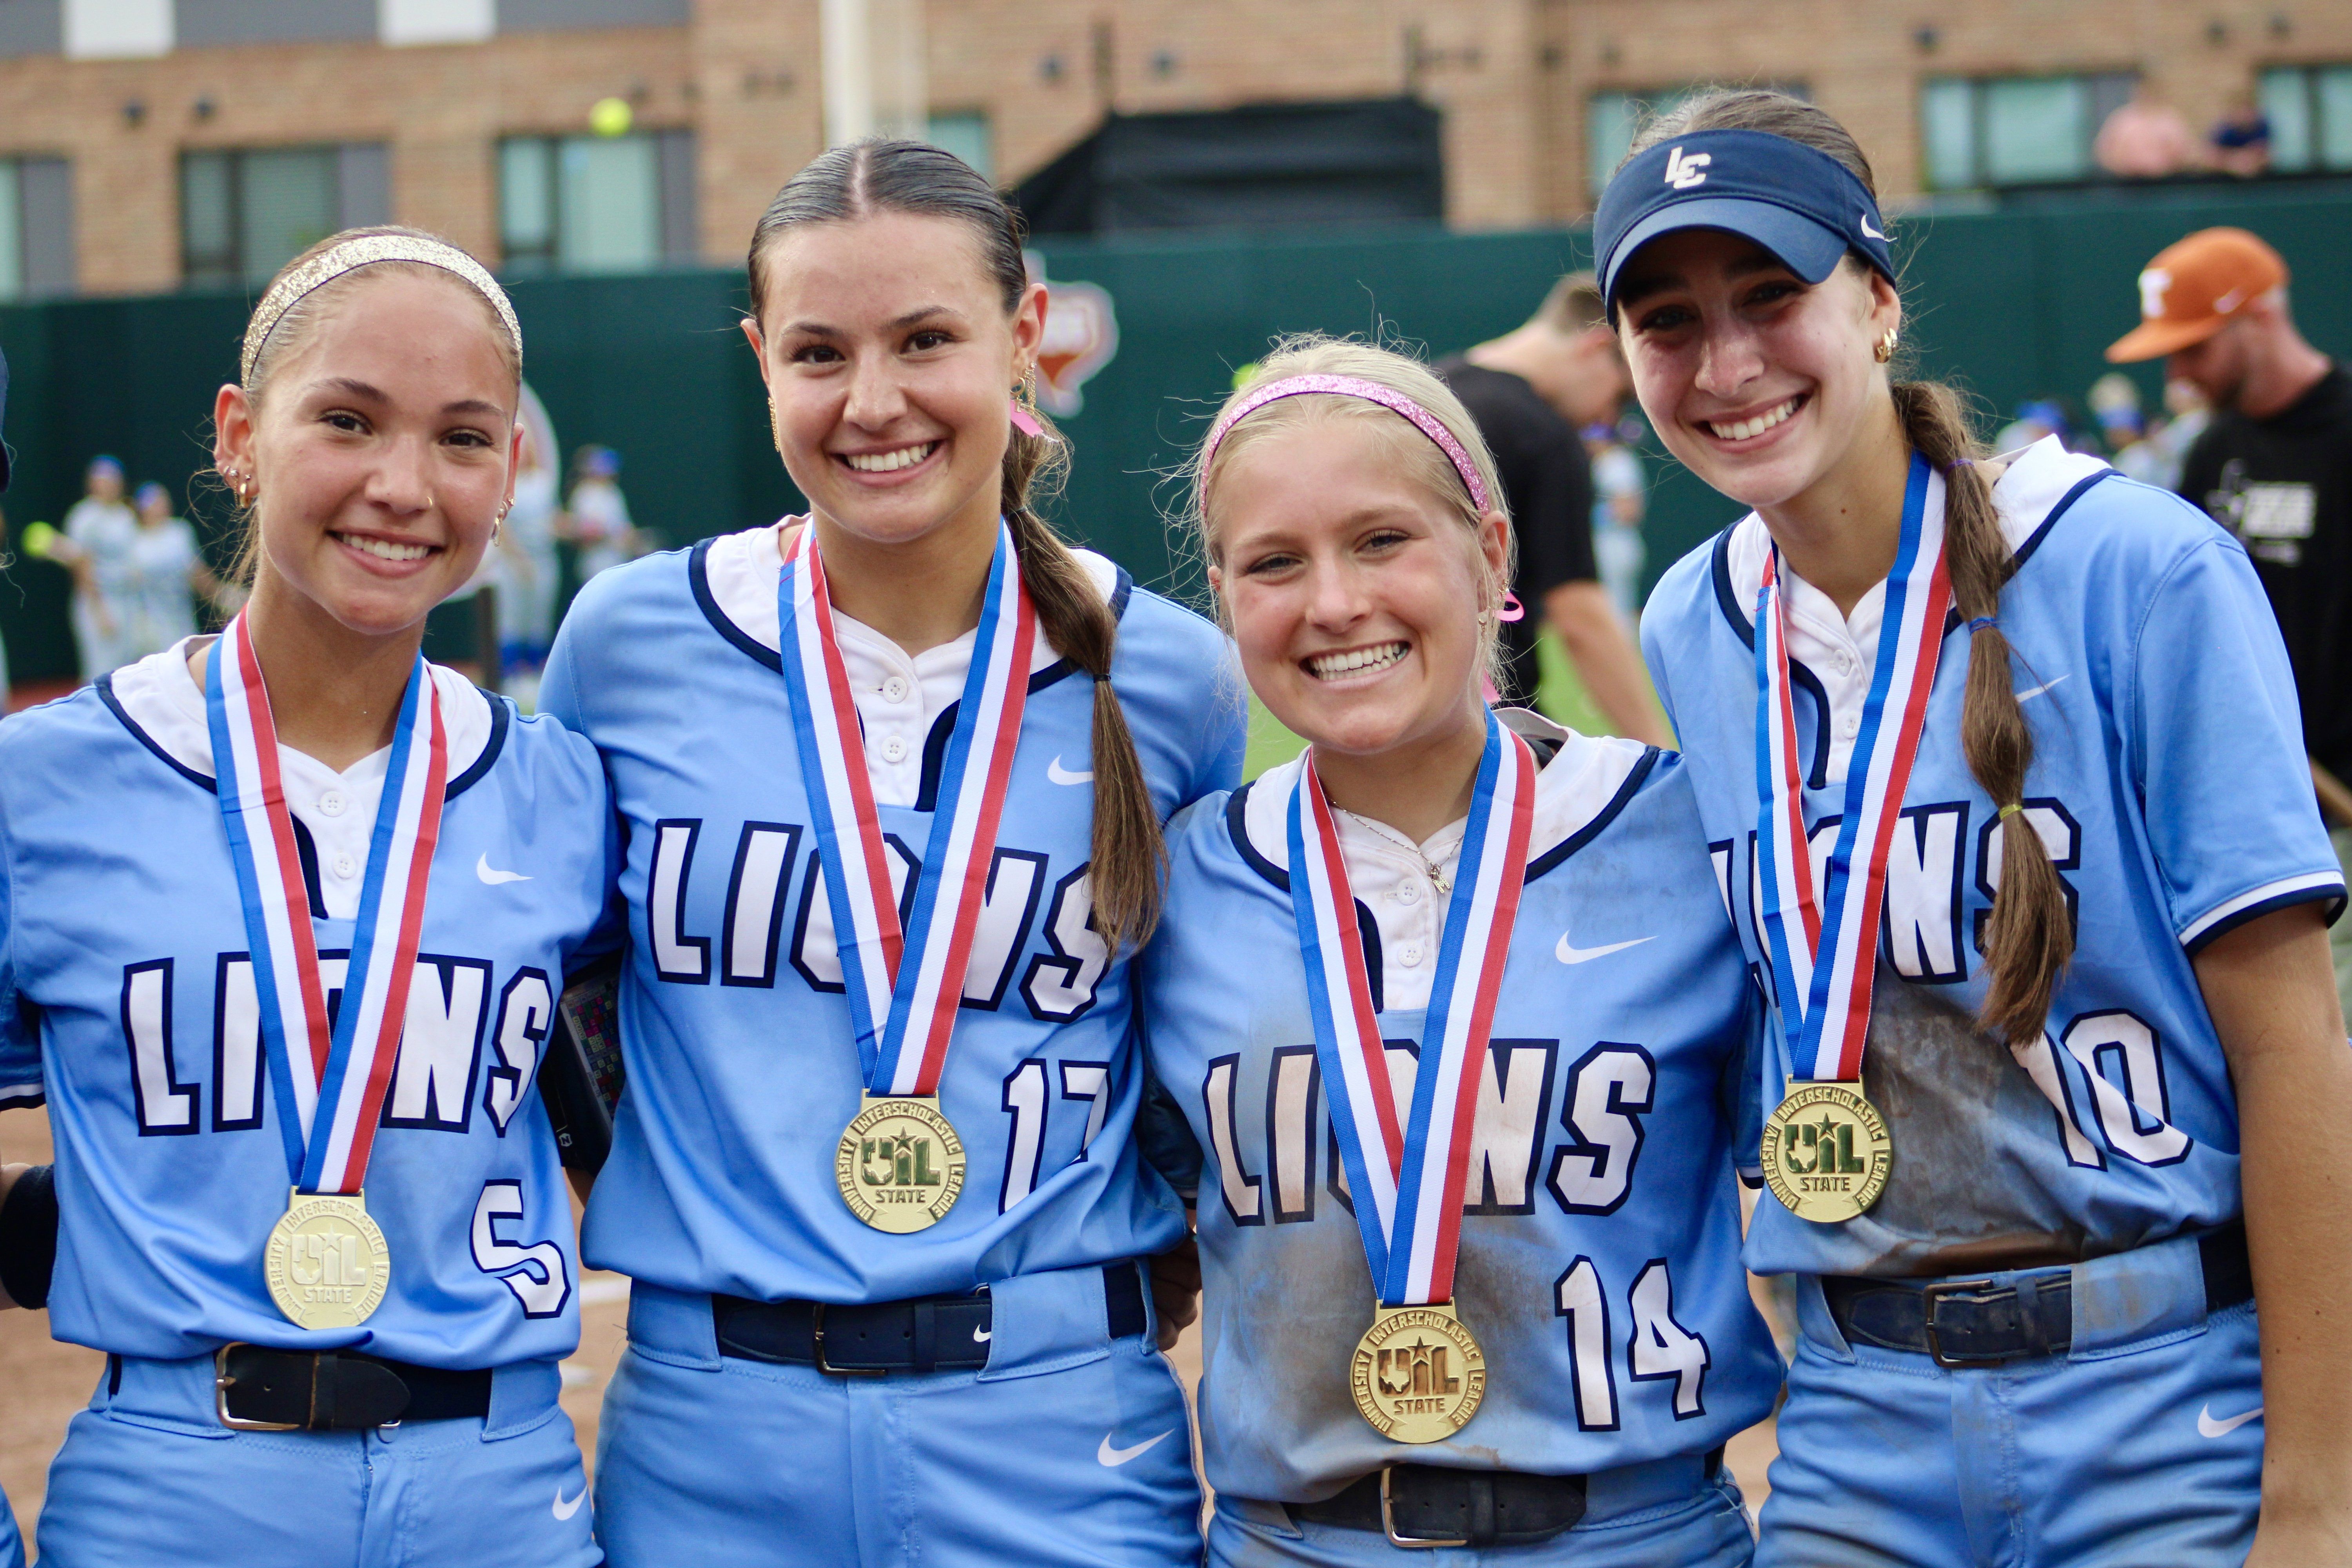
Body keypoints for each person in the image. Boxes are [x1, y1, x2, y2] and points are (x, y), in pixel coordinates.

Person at [1608, 89, 2352, 1566]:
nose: (1727, 362)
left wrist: (2316, 1499)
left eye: (1770, 296)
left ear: (1876, 302)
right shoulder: (1692, 621)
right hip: (1854, 1416)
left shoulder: (2132, 563)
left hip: (2159, 1393)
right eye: (1670, 322)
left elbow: (2287, 1044)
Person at [539, 139, 1241, 1568]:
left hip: (1058, 1425)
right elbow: (562, 1007)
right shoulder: (627, 645)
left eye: (926, 339)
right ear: (759, 359)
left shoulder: (1167, 677)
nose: (872, 402)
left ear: (1024, 335)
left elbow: (1188, 1046)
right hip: (709, 1426)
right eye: (817, 351)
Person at [0, 225, 615, 1567]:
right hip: (175, 1484)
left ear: (510, 471)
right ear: (238, 435)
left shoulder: (566, 790)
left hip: (503, 1492)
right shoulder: (35, 788)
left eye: (462, 438)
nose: (402, 485)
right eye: (347, 420)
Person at [1143, 335, 1778, 1564]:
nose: (1333, 602)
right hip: (1297, 1541)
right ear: (1222, 595)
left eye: (1381, 540)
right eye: (1273, 562)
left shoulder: (1682, 831)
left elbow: (1829, 1220)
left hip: (1640, 1535)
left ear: (1491, 552)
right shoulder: (1182, 882)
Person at [2108, 226, 2352, 1025]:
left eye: (2194, 350)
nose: (2177, 375)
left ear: (2257, 319)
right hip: (2247, 812)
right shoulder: (2213, 454)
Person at [1437, 277, 1671, 744]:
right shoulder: (1541, 434)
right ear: (1596, 347)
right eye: (1621, 394)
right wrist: (1662, 755)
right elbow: (1579, 613)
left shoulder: (1426, 393)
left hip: (1404, 723)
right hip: (1494, 733)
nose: (1608, 418)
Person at [119, 482, 227, 662]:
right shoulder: (133, 541)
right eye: (155, 503)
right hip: (148, 624)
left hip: (180, 617)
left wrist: (222, 597)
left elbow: (197, 573)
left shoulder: (179, 533)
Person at [53, 455, 137, 680]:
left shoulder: (125, 515)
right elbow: (82, 566)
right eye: (103, 480)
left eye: (114, 480)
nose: (109, 485)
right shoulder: (84, 517)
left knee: (127, 672)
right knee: (100, 672)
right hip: (98, 603)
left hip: (127, 601)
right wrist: (100, 612)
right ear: (92, 484)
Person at [1587, 416, 1648, 619]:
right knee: (1610, 607)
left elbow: (1629, 510)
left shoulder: (1617, 461)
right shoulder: (1602, 462)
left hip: (1617, 541)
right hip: (1607, 541)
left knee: (1617, 609)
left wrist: (1592, 516)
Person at [561, 444, 635, 596]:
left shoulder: (613, 492)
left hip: (617, 559)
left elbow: (624, 528)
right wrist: (608, 534)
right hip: (595, 562)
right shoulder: (585, 493)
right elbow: (587, 532)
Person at [2093, 82, 2199, 179]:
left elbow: (2185, 151)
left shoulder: (2170, 119)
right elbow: (2105, 152)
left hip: (2166, 183)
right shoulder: (2122, 119)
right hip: (2127, 185)